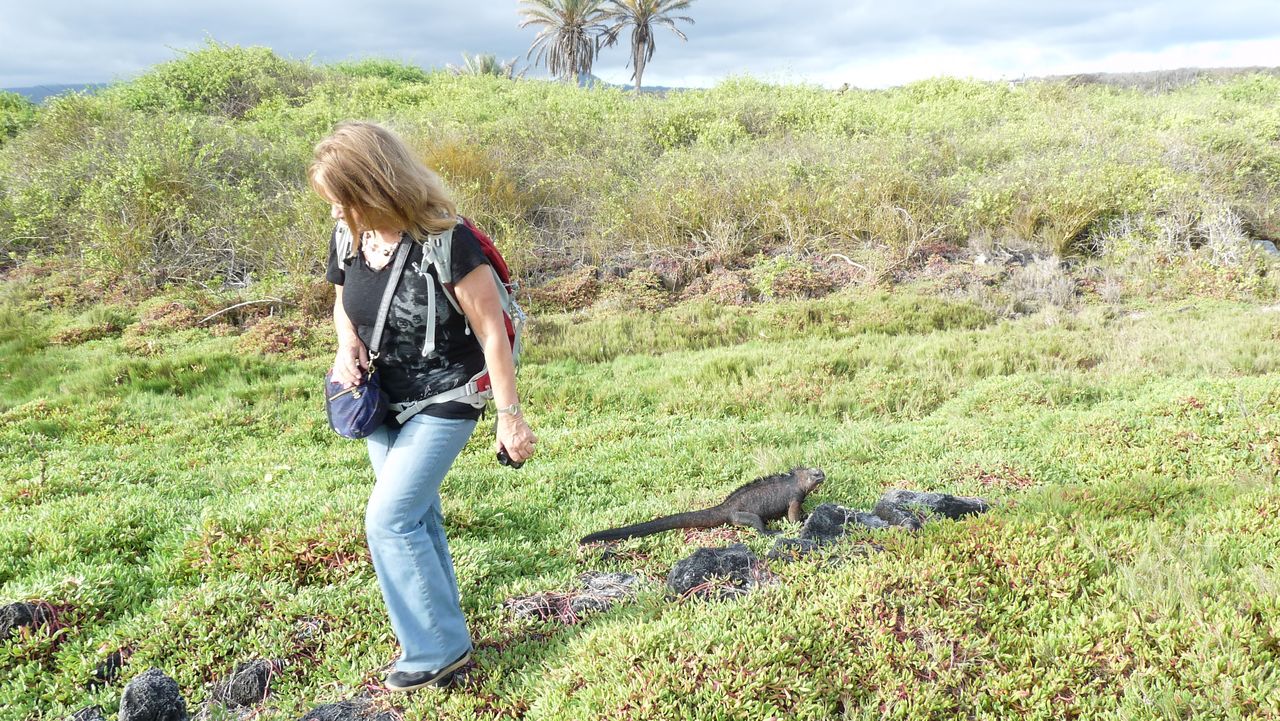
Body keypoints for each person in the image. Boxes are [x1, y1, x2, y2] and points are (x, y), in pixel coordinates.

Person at [310, 121, 537, 692]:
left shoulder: (447, 239)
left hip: (448, 396)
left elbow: (491, 333)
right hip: (382, 397)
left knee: (390, 519)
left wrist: (509, 417)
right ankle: (445, 633)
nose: (335, 211)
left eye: (342, 199)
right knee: (417, 516)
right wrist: (346, 347)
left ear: (373, 188)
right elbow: (343, 303)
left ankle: (436, 649)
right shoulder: (350, 236)